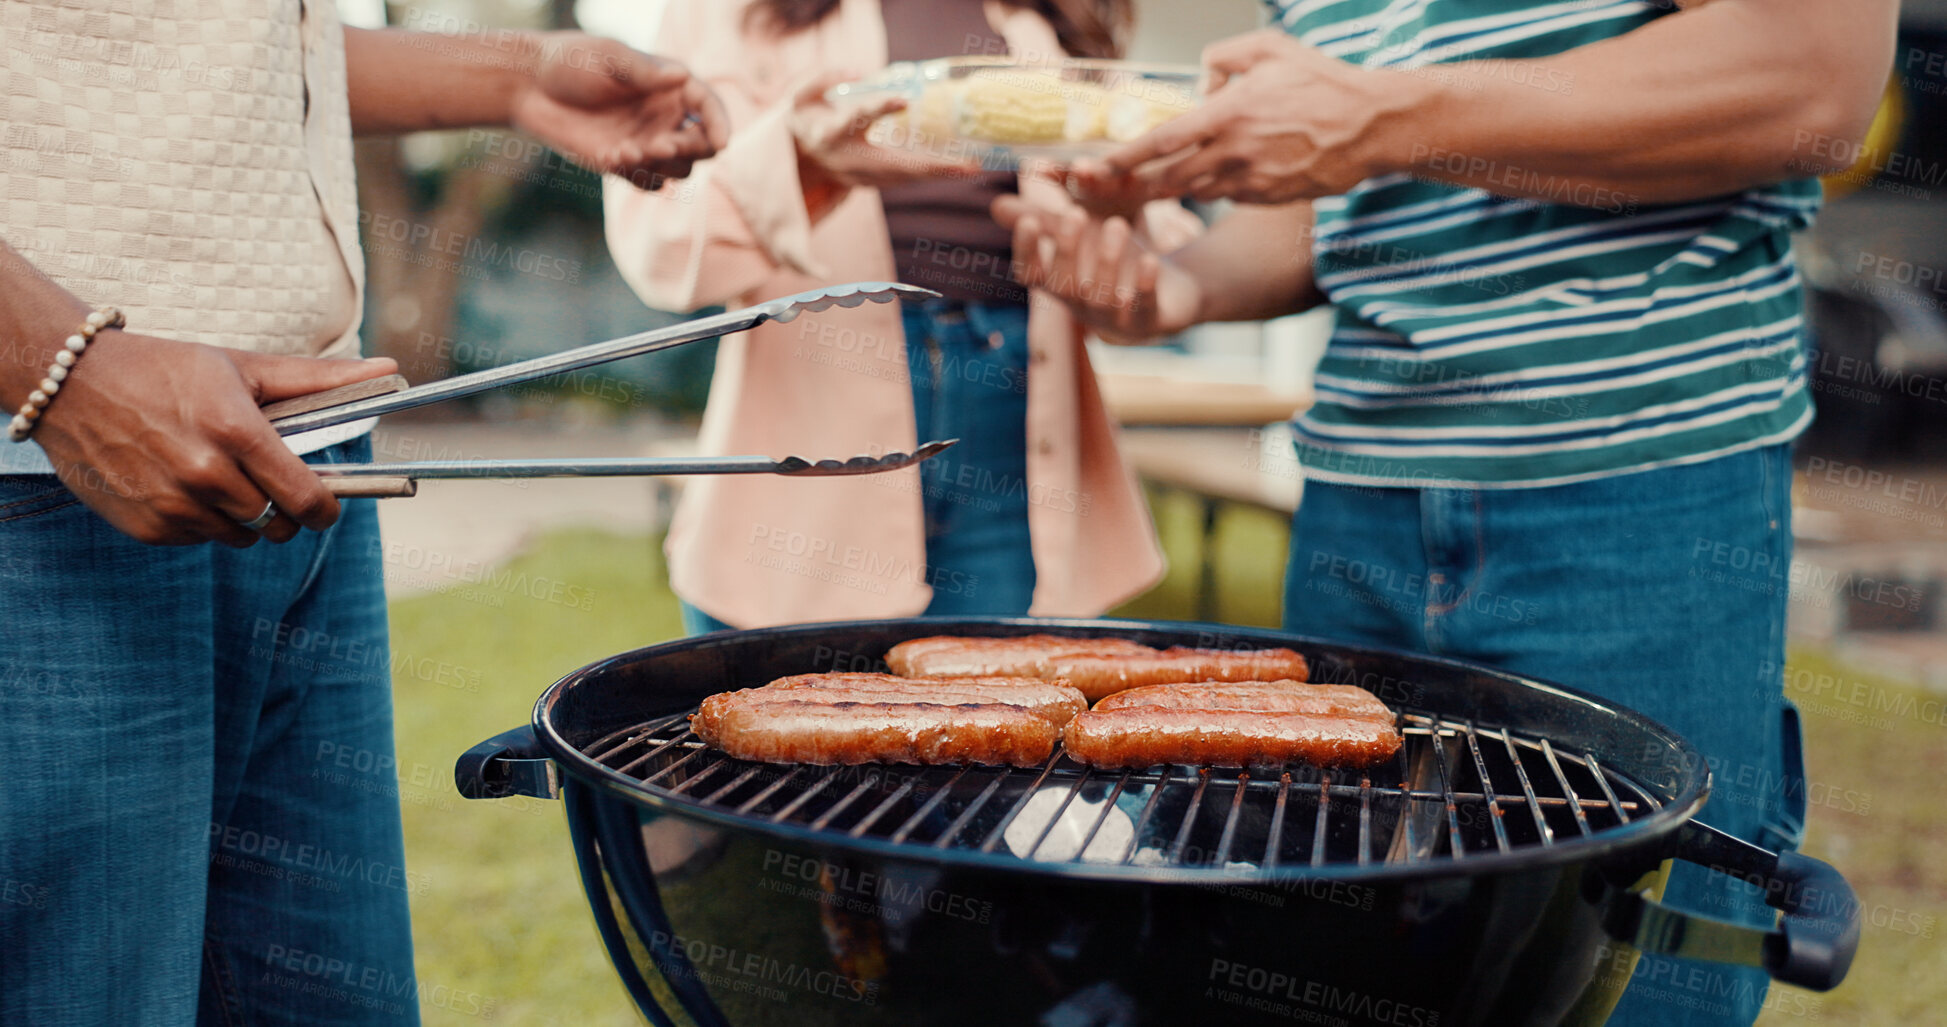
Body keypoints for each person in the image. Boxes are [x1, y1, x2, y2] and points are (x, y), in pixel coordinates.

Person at [998, 2, 1895, 1025]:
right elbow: (1342, 205)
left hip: (1633, 495)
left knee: (1629, 988)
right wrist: (1176, 288)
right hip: (1353, 505)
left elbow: (1809, 74)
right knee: (1333, 974)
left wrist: (1378, 114)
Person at [0, 4, 725, 1024]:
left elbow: (239, 49)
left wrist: (522, 75)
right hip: (51, 475)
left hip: (305, 470)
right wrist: (54, 363)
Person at [604, 0, 1199, 633]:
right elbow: (659, 247)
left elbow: (1168, 268)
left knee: (1002, 693)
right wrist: (799, 163)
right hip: (808, 435)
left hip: (1016, 434)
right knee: (795, 692)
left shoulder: (1056, 16)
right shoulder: (719, 12)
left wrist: (1119, 234)